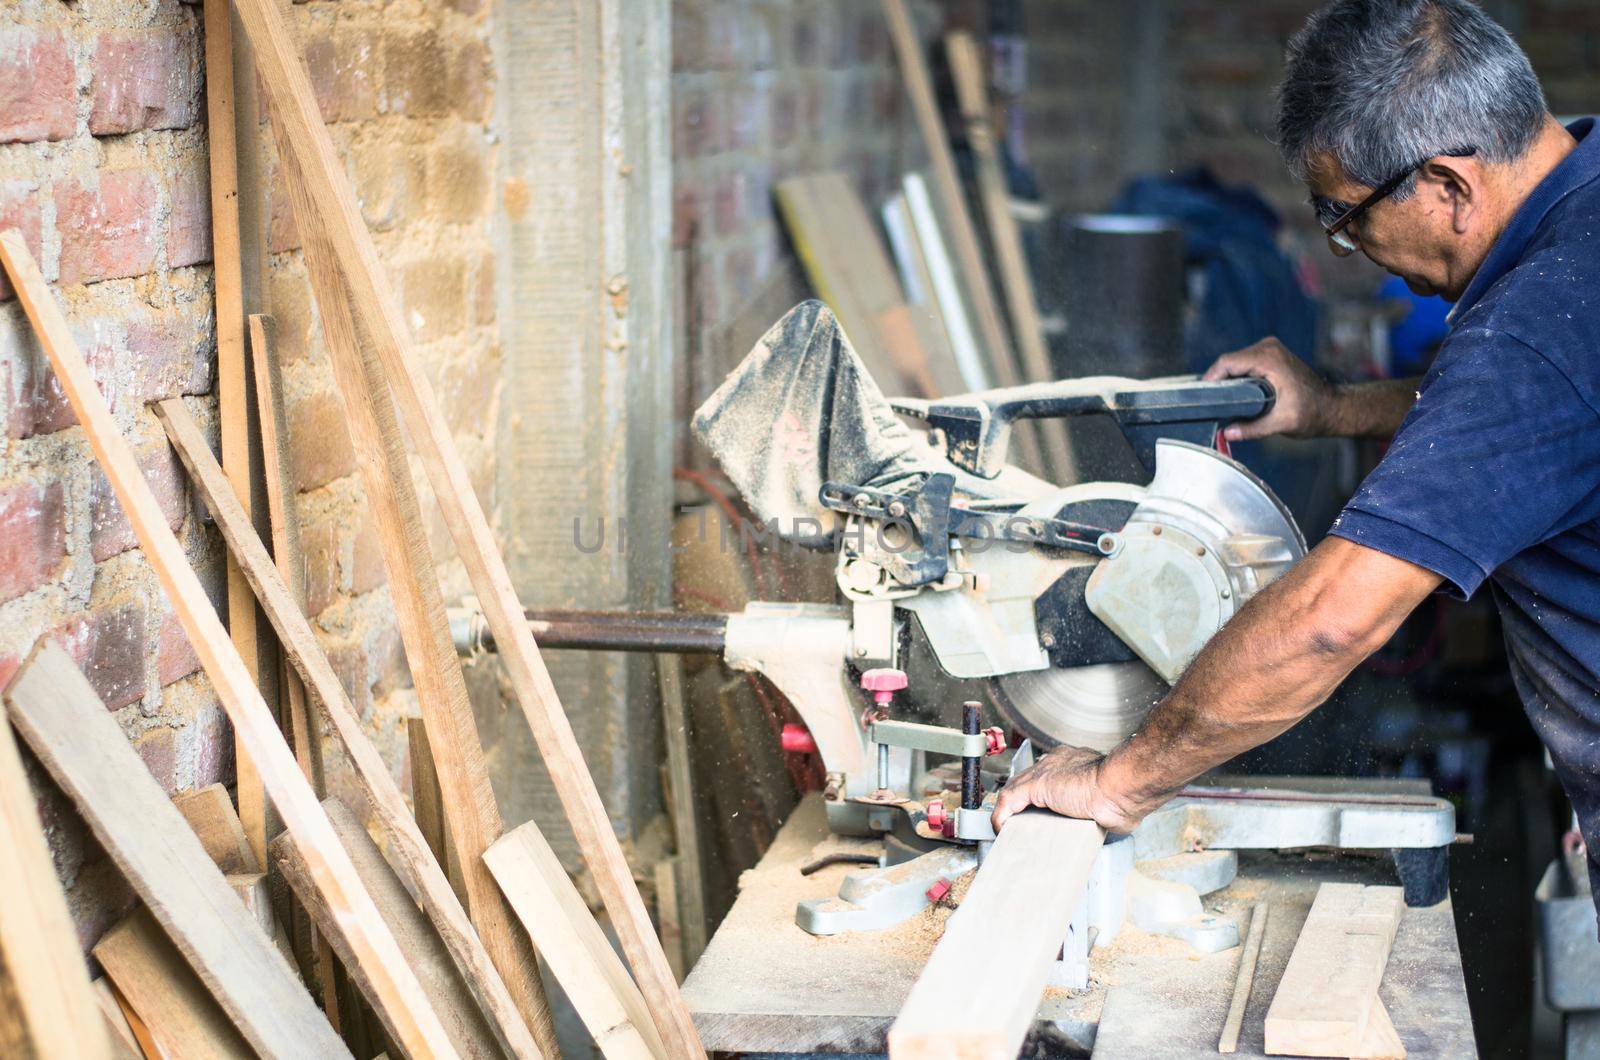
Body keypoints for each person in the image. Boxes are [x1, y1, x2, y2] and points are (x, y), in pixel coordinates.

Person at [993, 0, 1600, 926]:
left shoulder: (1538, 323)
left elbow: (1330, 621)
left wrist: (1120, 782)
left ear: (1446, 183)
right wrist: (1335, 407)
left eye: (1345, 217)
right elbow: (1551, 420)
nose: (1346, 248)